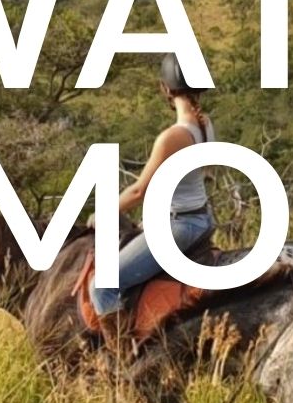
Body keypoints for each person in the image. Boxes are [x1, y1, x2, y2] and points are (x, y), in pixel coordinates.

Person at [89, 53, 217, 335]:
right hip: (201, 220)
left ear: (165, 89)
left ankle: (122, 363)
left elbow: (138, 191)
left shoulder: (172, 136)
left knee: (101, 285)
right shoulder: (205, 125)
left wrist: (103, 212)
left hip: (179, 227)